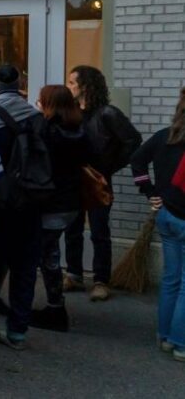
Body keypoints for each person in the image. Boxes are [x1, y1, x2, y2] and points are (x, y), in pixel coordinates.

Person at [0, 65, 44, 350]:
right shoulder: (38, 118)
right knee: (25, 269)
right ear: (20, 85)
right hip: (31, 200)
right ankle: (18, 331)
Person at [65, 65, 142, 302]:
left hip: (98, 180)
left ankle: (100, 280)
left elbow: (133, 140)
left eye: (72, 83)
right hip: (74, 178)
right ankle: (74, 274)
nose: (68, 87)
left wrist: (110, 167)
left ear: (85, 86)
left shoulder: (108, 113)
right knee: (72, 229)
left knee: (99, 230)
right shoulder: (71, 112)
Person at [31, 85, 92, 333]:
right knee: (51, 253)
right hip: (72, 202)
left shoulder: (47, 131)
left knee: (47, 257)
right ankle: (56, 306)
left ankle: (56, 309)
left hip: (50, 202)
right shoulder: (79, 129)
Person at [130, 86, 185, 361]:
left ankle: (165, 336)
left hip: (166, 216)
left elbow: (137, 160)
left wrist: (150, 192)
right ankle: (180, 343)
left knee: (171, 279)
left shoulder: (166, 137)